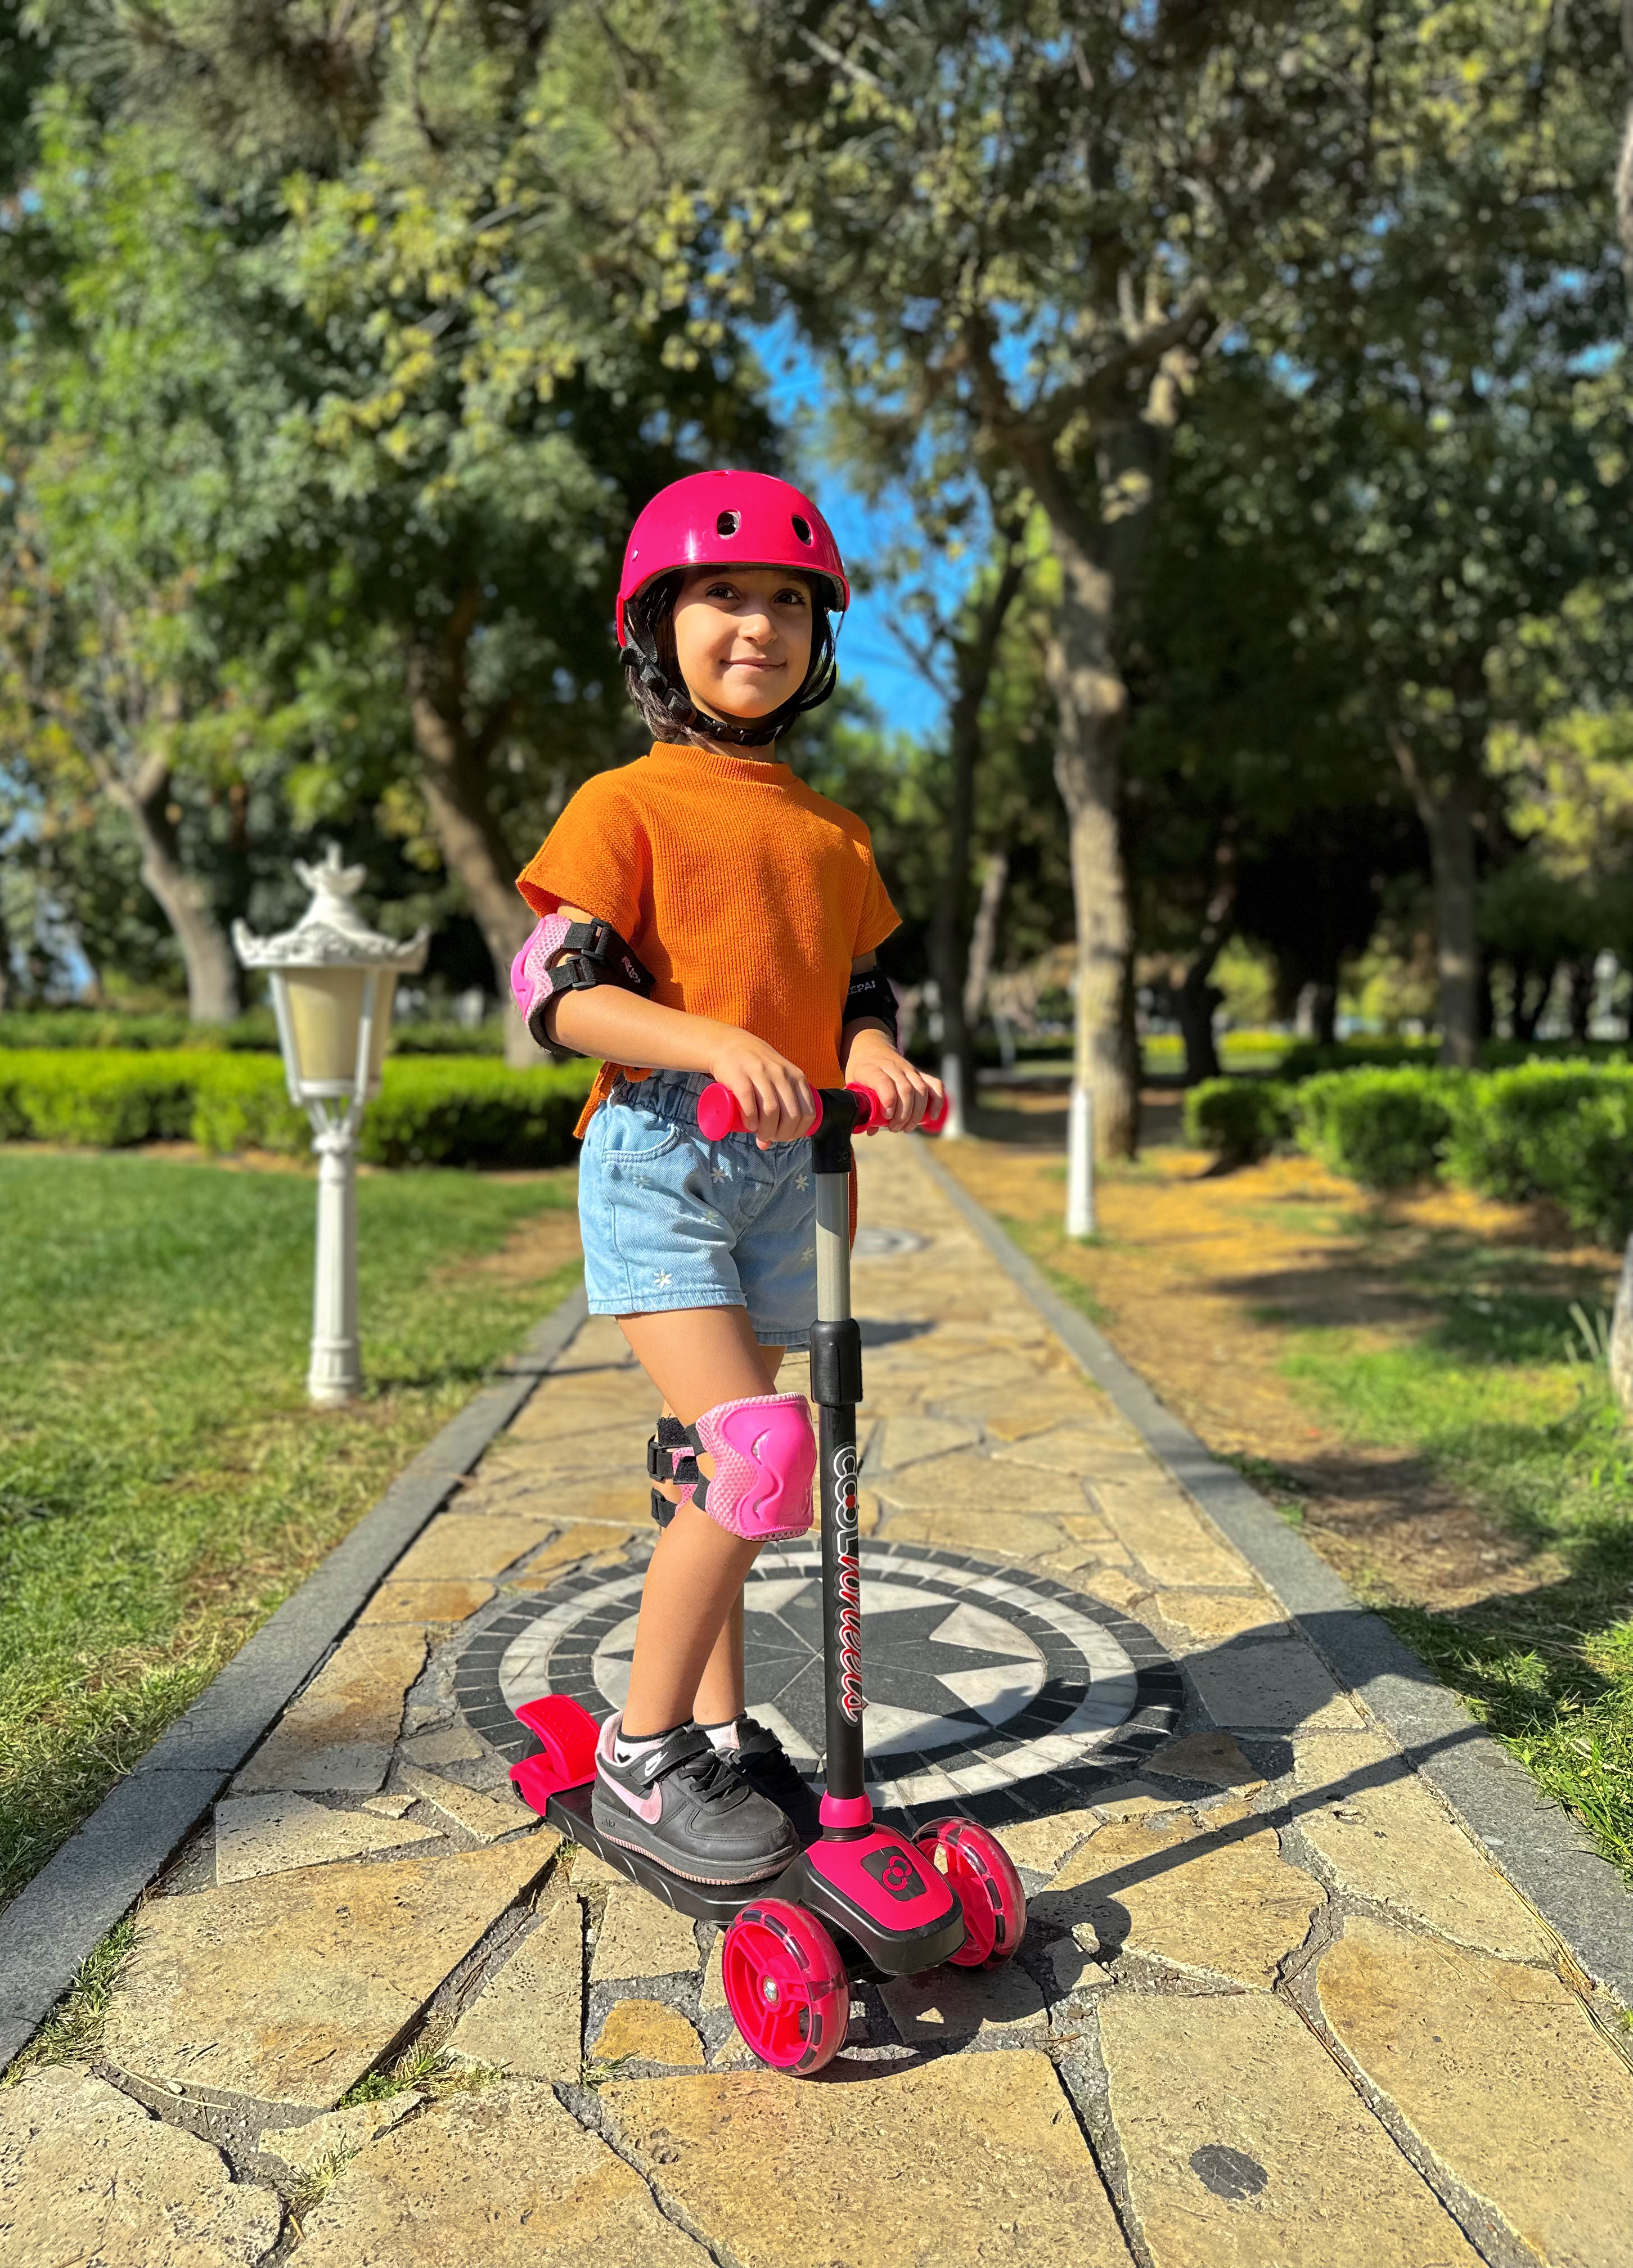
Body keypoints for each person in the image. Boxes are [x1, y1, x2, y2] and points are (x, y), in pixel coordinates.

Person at [508, 469, 941, 1884]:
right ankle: (644, 1753)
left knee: (724, 1468)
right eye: (723, 595)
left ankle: (717, 1728)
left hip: (794, 1172)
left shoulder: (835, 832)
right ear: (657, 628)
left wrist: (877, 1058)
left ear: (819, 640)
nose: (758, 625)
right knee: (762, 1456)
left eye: (787, 604)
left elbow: (858, 992)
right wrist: (711, 1040)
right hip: (665, 1158)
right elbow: (556, 992)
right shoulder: (625, 804)